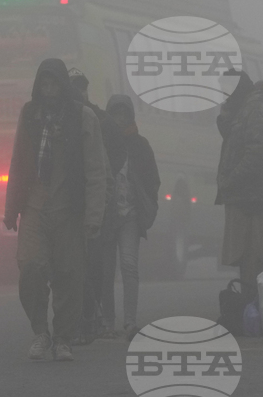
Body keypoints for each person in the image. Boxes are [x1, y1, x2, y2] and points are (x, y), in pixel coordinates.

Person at [4, 59, 108, 362]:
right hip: (35, 207)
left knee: (69, 276)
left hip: (69, 209)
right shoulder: (30, 115)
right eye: (44, 84)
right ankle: (40, 332)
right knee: (30, 268)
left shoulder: (82, 117)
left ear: (62, 86)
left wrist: (93, 217)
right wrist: (11, 209)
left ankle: (63, 338)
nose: (49, 90)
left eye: (54, 84)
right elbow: (18, 162)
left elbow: (95, 170)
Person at [215, 70, 263, 304]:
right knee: (250, 260)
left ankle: (259, 309)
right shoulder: (245, 107)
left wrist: (231, 180)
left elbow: (259, 151)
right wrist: (226, 115)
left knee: (257, 260)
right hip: (251, 196)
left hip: (256, 198)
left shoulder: (255, 107)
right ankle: (256, 309)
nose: (224, 96)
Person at [67, 69, 122, 344]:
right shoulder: (64, 120)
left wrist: (103, 189)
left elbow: (116, 155)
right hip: (72, 204)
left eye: (81, 86)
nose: (79, 92)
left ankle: (90, 316)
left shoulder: (100, 120)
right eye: (75, 87)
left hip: (96, 204)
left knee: (95, 265)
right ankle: (81, 319)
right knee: (74, 266)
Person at [101, 94, 161, 341]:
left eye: (123, 114)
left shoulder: (140, 145)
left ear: (130, 116)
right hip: (106, 215)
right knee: (105, 270)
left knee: (128, 266)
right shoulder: (101, 144)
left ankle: (129, 322)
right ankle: (107, 322)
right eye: (115, 114)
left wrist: (146, 203)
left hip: (130, 215)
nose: (119, 119)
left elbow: (153, 180)